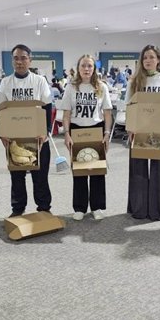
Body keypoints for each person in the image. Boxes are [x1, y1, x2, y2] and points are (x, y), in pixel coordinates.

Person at [0, 44, 53, 216]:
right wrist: (2, 133)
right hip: (14, 137)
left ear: (30, 60)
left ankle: (44, 208)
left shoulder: (39, 81)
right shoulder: (6, 83)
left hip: (37, 136)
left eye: (23, 58)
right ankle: (17, 208)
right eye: (16, 58)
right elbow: (1, 110)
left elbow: (48, 108)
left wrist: (45, 132)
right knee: (17, 177)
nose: (19, 62)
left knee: (40, 177)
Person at [126, 45, 160, 221]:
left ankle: (157, 211)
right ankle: (138, 209)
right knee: (138, 171)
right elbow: (129, 106)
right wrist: (130, 128)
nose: (148, 60)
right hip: (138, 130)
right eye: (145, 57)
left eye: (152, 57)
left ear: (158, 60)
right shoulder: (134, 81)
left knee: (159, 172)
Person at [61, 54, 113, 220]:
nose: (86, 69)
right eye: (83, 66)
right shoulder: (71, 87)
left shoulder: (101, 87)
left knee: (97, 170)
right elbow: (67, 114)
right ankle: (80, 207)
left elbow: (107, 113)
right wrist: (67, 134)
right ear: (78, 68)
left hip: (96, 129)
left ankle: (97, 207)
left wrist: (106, 134)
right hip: (77, 130)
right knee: (79, 171)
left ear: (94, 69)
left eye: (89, 66)